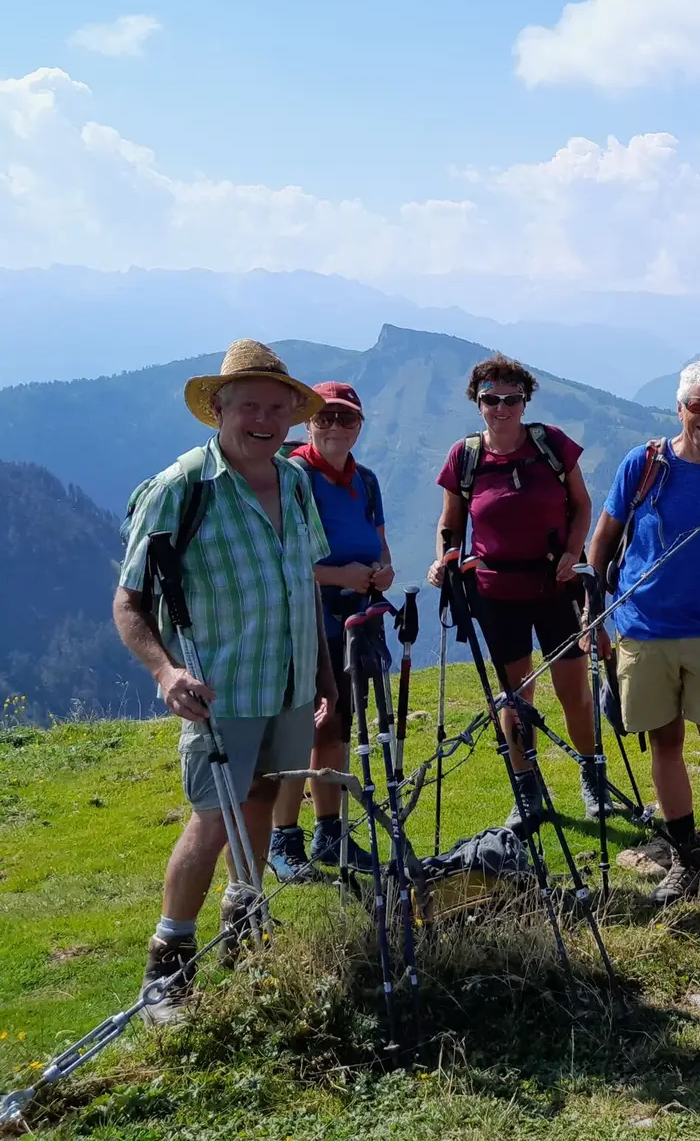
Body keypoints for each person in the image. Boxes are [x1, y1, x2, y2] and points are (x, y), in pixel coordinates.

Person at [115, 340, 337, 1023]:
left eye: (278, 408)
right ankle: (168, 967)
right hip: (223, 693)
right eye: (250, 406)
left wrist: (324, 675)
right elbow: (129, 600)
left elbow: (304, 586)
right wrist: (165, 670)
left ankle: (244, 928)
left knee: (267, 800)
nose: (265, 420)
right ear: (219, 408)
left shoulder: (297, 481)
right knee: (213, 819)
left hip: (292, 686)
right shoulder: (181, 489)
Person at [585, 357, 700, 904]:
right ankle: (685, 861)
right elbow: (603, 543)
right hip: (640, 628)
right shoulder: (642, 464)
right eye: (699, 405)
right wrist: (591, 617)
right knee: (664, 745)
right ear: (680, 407)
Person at [426, 355, 597, 827]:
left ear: (525, 401)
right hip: (495, 590)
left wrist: (573, 551)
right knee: (514, 695)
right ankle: (527, 790)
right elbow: (450, 525)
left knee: (572, 689)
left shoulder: (552, 445)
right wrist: (445, 559)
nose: (501, 408)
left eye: (510, 399)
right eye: (490, 399)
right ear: (477, 402)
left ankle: (591, 776)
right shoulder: (465, 457)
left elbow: (581, 505)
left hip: (554, 584)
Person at [267, 382, 395, 881]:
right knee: (300, 723)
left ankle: (329, 832)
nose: (335, 427)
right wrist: (342, 576)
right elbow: (280, 557)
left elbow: (379, 543)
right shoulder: (292, 476)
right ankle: (284, 838)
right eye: (325, 418)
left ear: (359, 426)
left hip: (355, 619)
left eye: (346, 419)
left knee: (336, 722)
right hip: (304, 619)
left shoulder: (364, 479)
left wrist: (382, 570)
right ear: (307, 423)